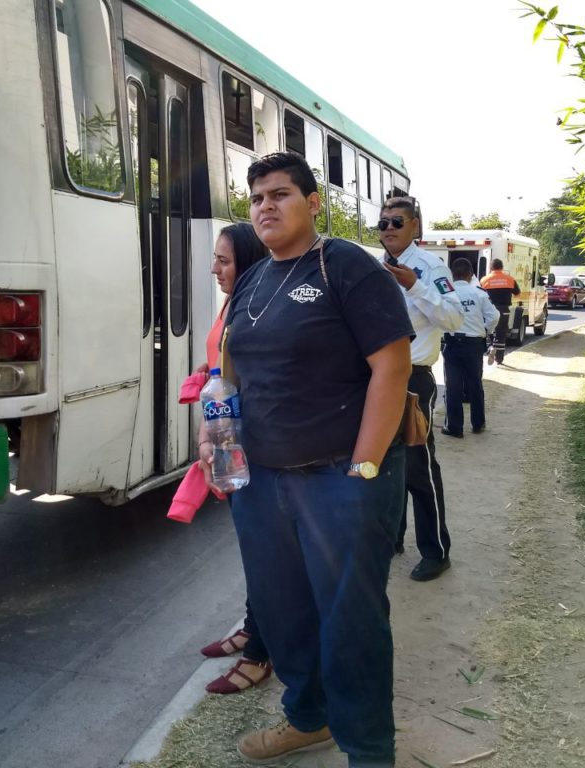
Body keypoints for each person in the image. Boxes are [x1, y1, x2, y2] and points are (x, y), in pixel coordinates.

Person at [200, 152, 413, 767]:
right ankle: (308, 717)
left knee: (351, 621)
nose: (266, 206)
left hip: (339, 476)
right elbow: (231, 373)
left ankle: (370, 751)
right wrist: (218, 438)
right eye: (257, 197)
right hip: (262, 481)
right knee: (282, 611)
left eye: (281, 194)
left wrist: (366, 466)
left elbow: (391, 367)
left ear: (312, 202)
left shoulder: (345, 265)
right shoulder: (253, 280)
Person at [196, 223, 272, 695]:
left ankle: (261, 654)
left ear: (244, 262)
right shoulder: (234, 302)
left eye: (223, 260)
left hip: (253, 448)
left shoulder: (256, 309)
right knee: (250, 550)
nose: (214, 268)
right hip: (229, 443)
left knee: (265, 556)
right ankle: (251, 626)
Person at [378, 196, 464, 583]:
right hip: (376, 377)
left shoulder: (429, 268)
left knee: (418, 467)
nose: (389, 229)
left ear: (415, 225)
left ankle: (436, 550)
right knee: (380, 463)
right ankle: (391, 538)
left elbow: (454, 317)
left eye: (397, 221)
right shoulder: (373, 267)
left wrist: (416, 288)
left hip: (413, 379)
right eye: (383, 223)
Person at [440, 258, 499, 438]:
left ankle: (455, 428)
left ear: (452, 274)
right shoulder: (479, 294)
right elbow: (494, 316)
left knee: (453, 386)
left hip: (452, 344)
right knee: (475, 384)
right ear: (471, 275)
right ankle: (478, 424)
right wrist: (486, 330)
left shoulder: (446, 293)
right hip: (474, 345)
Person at [479, 258, 521, 365]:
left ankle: (490, 348)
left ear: (491, 268)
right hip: (504, 310)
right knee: (501, 333)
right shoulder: (510, 279)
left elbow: (479, 295)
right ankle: (499, 359)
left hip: (489, 310)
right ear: (502, 268)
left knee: (487, 331)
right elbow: (517, 294)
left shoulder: (484, 280)